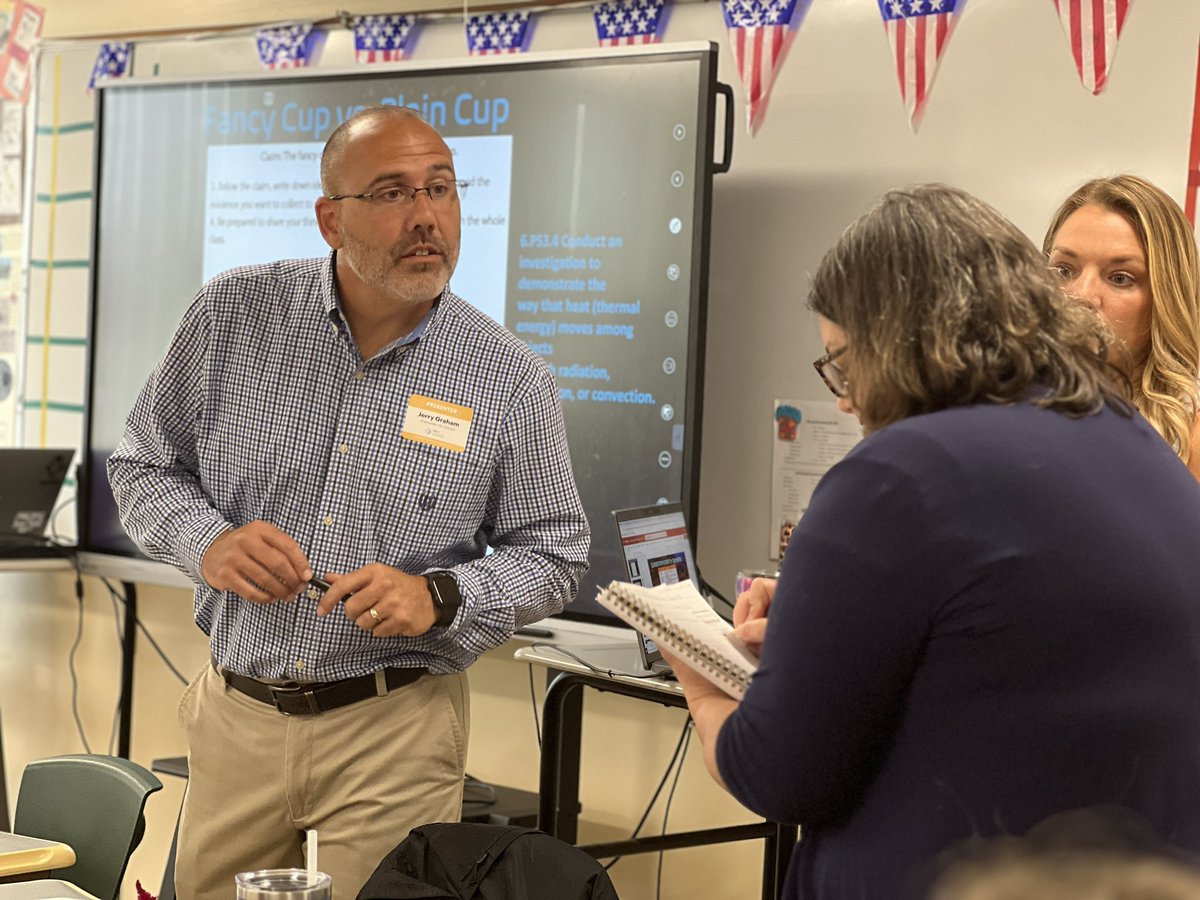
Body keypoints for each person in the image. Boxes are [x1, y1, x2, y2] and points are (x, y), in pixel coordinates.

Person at [660, 184, 1200, 900]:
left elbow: (778, 774)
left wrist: (698, 681)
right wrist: (826, 619)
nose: (844, 397)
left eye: (842, 360)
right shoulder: (1138, 444)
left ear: (898, 340)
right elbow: (1005, 641)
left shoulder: (897, 472)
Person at [107, 106, 589, 900]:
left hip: (394, 728)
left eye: (441, 188)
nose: (426, 215)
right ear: (331, 219)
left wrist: (439, 595)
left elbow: (555, 551)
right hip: (239, 714)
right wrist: (209, 543)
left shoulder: (508, 376)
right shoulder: (232, 315)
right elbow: (143, 466)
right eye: (394, 193)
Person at [1043, 174, 1200, 480]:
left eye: (1120, 278)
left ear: (1165, 301)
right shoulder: (998, 402)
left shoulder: (1190, 441)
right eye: (1064, 270)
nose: (1082, 295)